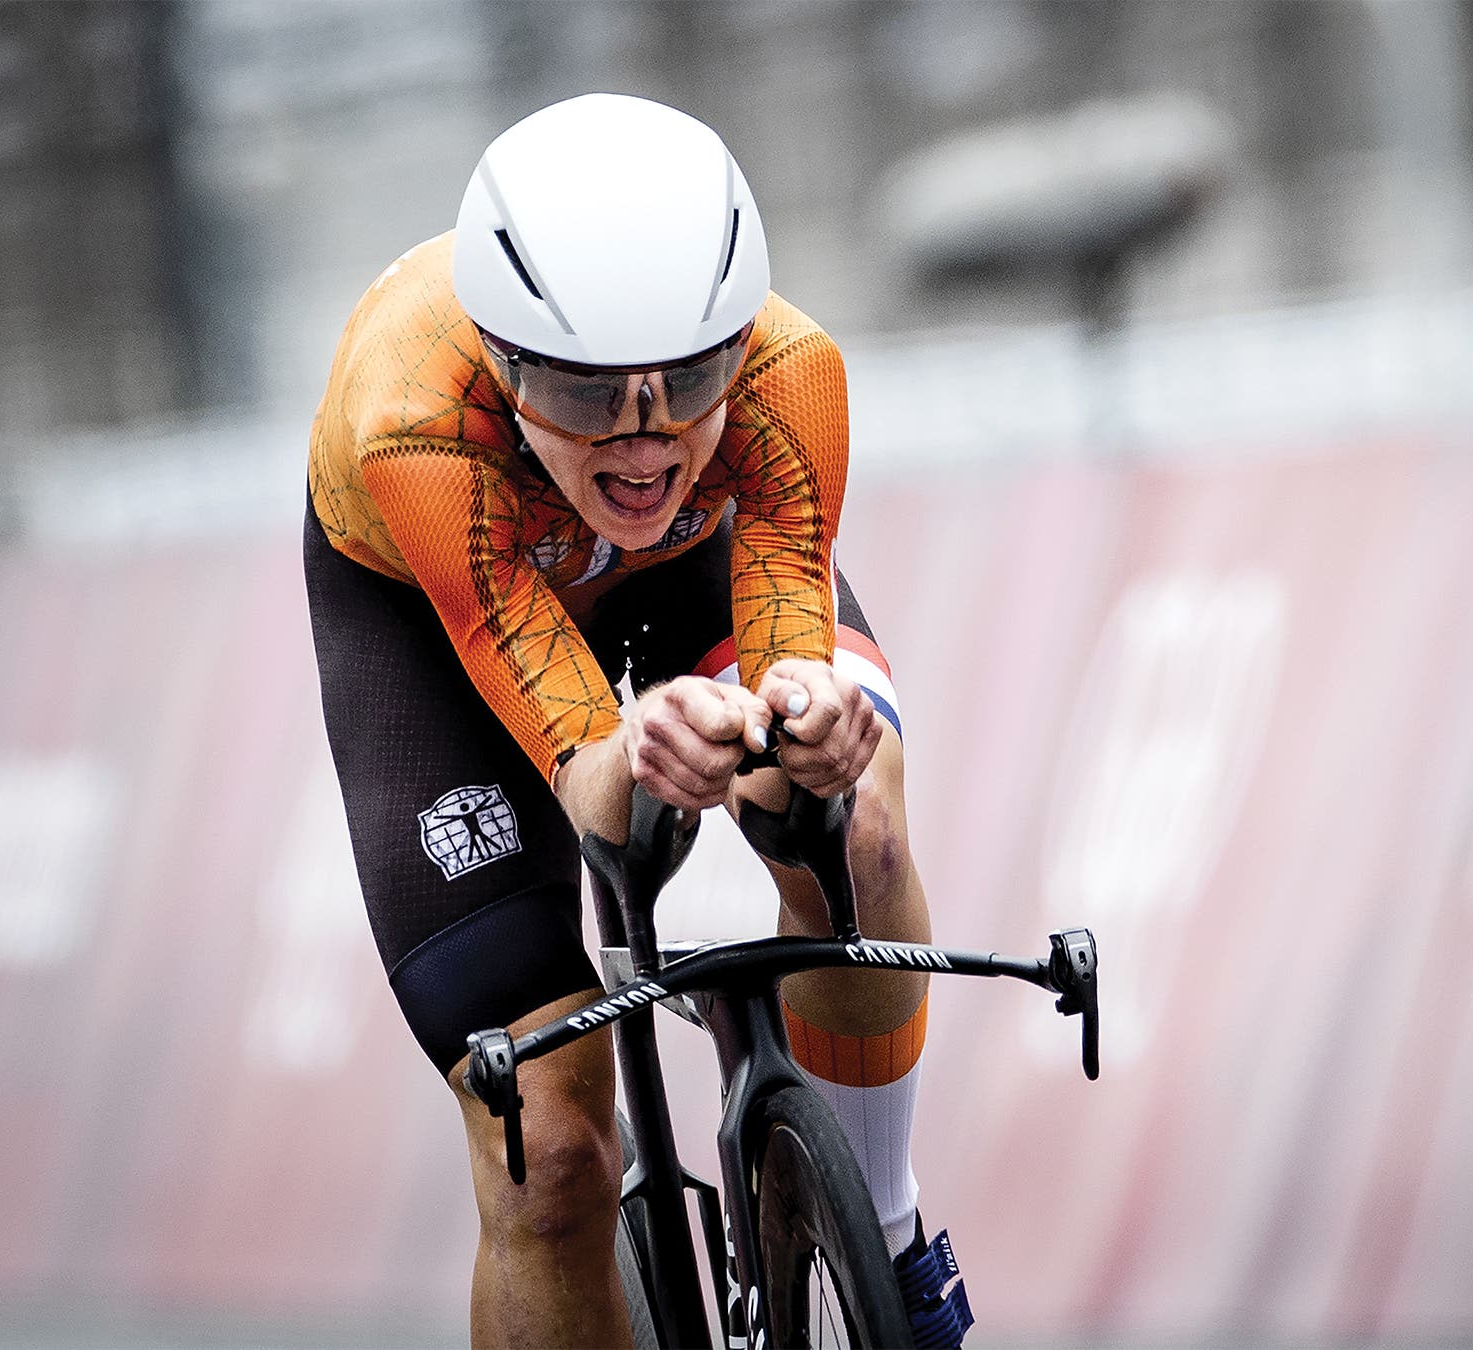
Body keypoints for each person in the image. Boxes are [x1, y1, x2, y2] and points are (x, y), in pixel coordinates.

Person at [303, 92, 972, 1347]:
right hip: (435, 614)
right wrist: (639, 756)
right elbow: (586, 771)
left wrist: (810, 727)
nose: (645, 436)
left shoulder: (786, 373)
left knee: (861, 825)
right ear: (505, 363)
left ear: (737, 337)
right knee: (548, 1151)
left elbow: (791, 681)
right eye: (584, 389)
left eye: (687, 379)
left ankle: (885, 1233)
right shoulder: (417, 421)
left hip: (690, 567)